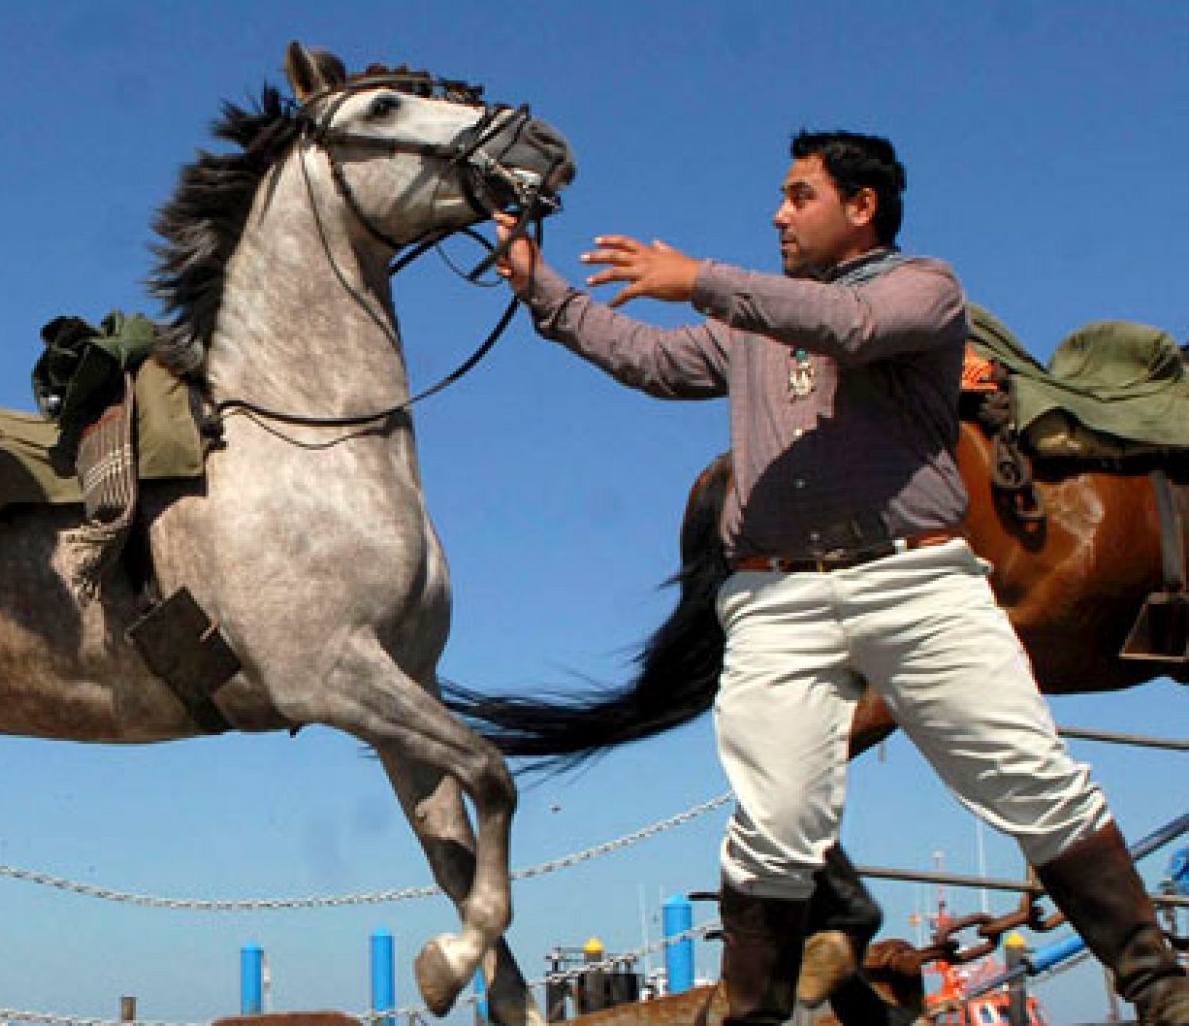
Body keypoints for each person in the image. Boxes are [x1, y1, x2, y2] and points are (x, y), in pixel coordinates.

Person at [493, 130, 1189, 1026]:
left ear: (861, 209)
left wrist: (698, 277)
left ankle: (1159, 988)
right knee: (773, 826)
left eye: (798, 195)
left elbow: (849, 329)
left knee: (1031, 778)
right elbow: (652, 359)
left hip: (917, 584)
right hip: (776, 600)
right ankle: (753, 1016)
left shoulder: (925, 290)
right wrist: (537, 286)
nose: (778, 213)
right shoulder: (752, 322)